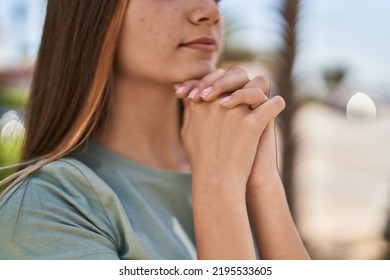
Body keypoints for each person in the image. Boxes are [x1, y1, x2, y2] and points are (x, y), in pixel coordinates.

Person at [0, 0, 309, 260]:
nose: (209, 12)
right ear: (92, 12)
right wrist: (217, 187)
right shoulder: (45, 209)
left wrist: (264, 184)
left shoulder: (236, 172)